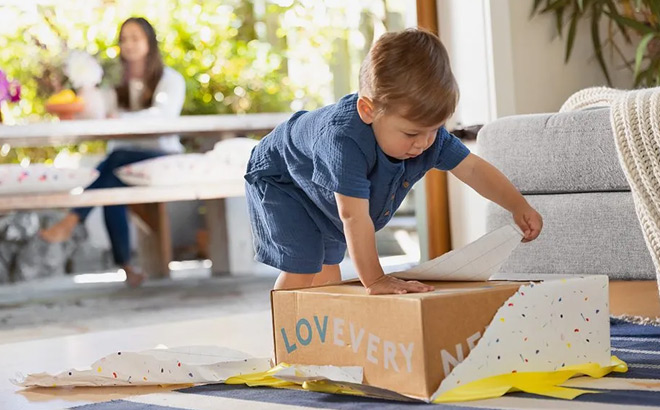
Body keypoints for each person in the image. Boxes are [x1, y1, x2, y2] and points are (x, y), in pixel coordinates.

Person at [244, 28, 543, 295]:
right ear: (368, 110)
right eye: (412, 133)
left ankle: (320, 348)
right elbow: (353, 217)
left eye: (434, 130)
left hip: (317, 189)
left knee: (328, 273)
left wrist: (518, 205)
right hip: (282, 179)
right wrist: (375, 280)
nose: (424, 143)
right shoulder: (342, 141)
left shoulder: (428, 137)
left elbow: (474, 169)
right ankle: (282, 344)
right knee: (304, 264)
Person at [40, 17, 186, 287]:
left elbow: (163, 117)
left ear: (149, 42)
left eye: (135, 38)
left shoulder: (170, 79)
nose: (128, 44)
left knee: (112, 164)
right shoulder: (115, 83)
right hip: (122, 159)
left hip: (161, 153)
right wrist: (82, 93)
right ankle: (128, 267)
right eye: (124, 39)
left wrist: (120, 119)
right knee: (110, 185)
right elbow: (96, 114)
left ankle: (74, 219)